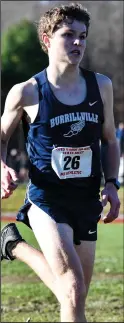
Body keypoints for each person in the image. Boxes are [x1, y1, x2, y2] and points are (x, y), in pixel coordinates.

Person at [1, 3, 121, 322]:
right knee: (72, 287)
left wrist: (112, 184)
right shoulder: (26, 92)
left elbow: (110, 140)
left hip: (86, 198)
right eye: (68, 35)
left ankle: (15, 247)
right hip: (47, 200)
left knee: (75, 293)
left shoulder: (102, 86)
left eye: (83, 36)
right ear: (46, 39)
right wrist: (3, 166)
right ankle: (15, 245)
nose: (78, 43)